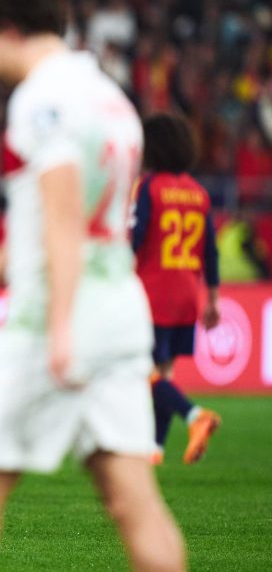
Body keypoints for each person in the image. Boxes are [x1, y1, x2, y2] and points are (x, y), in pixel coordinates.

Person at [0, 0, 185, 571]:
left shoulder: (41, 100)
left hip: (54, 322)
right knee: (132, 499)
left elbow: (62, 224)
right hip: (120, 314)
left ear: (9, 30)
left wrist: (61, 329)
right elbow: (53, 225)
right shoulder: (111, 97)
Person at [132, 113, 221, 465]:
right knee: (163, 374)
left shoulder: (149, 188)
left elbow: (134, 240)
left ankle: (194, 415)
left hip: (153, 294)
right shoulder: (199, 194)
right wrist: (212, 298)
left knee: (139, 370)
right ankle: (154, 450)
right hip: (186, 293)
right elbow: (209, 251)